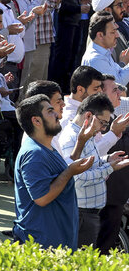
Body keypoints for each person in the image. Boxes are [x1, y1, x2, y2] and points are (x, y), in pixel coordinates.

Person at [13, 94, 93, 249]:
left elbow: (61, 172)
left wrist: (81, 142)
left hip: (56, 240)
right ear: (36, 121)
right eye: (50, 111)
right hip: (42, 244)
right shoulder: (34, 154)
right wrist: (70, 172)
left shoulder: (47, 147)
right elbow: (42, 198)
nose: (57, 114)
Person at [57, 94, 129, 247]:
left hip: (87, 213)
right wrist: (109, 168)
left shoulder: (86, 134)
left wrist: (107, 159)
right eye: (103, 123)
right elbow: (78, 177)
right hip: (80, 213)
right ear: (89, 115)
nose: (103, 129)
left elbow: (91, 163)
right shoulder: (71, 138)